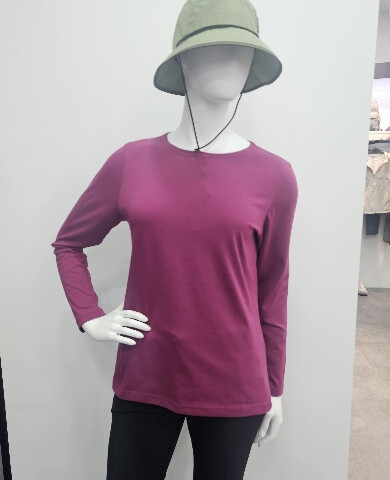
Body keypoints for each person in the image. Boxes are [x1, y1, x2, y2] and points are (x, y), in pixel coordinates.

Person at [52, 1, 297, 478]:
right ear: (183, 60)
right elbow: (69, 243)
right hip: (148, 371)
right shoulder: (132, 162)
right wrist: (90, 317)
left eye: (242, 50)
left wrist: (274, 385)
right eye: (215, 48)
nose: (232, 61)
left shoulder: (275, 175)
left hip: (235, 379)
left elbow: (274, 286)